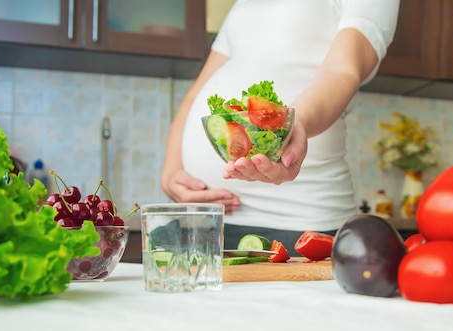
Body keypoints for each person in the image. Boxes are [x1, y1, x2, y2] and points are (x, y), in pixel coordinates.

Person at [161, 0, 399, 253]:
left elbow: (342, 71)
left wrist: (292, 125)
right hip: (201, 219)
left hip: (292, 224)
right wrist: (171, 171)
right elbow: (194, 95)